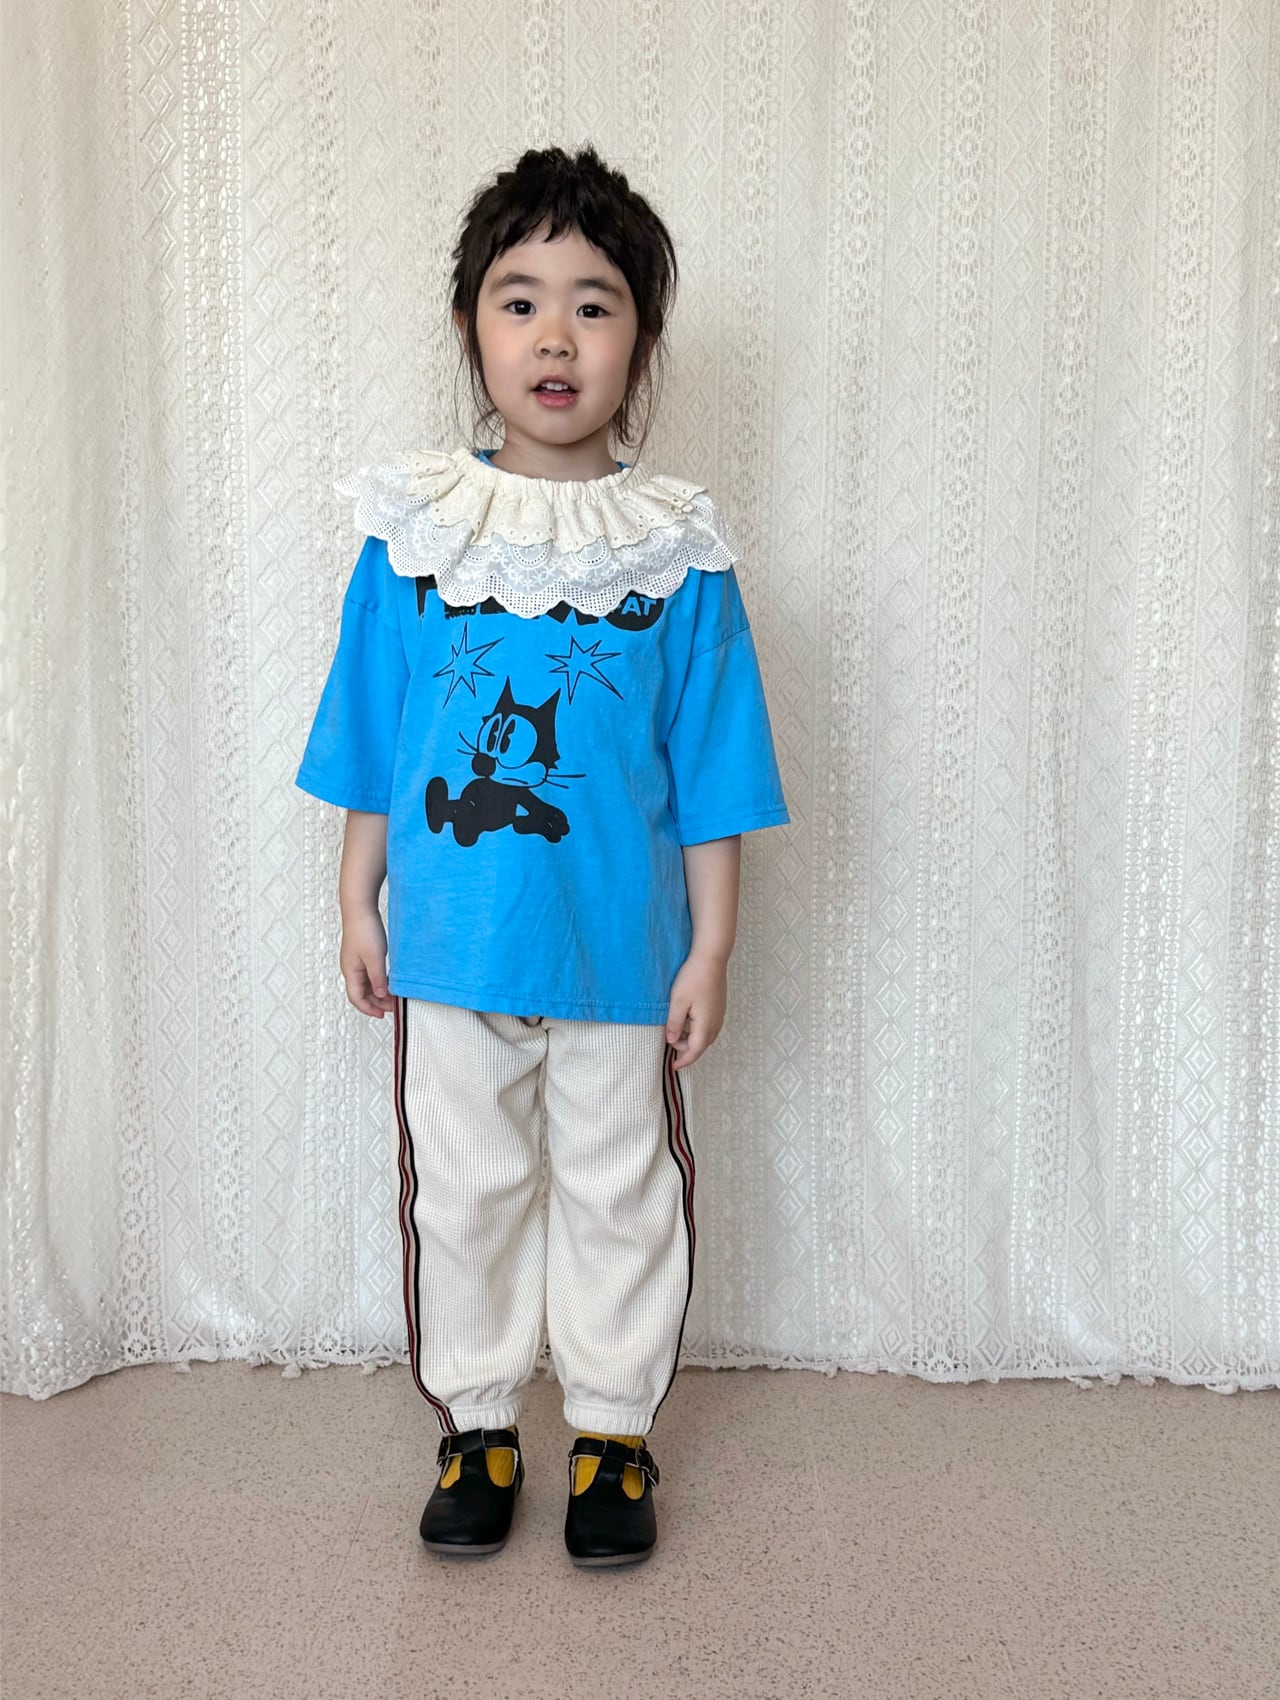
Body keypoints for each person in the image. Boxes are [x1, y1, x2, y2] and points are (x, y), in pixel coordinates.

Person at [295, 144, 789, 1568]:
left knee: (621, 1188)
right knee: (464, 1187)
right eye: (520, 302)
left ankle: (615, 1433)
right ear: (473, 329)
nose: (555, 336)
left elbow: (714, 774)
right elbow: (376, 736)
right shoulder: (413, 540)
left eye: (593, 303)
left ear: (641, 340)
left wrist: (710, 948)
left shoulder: (678, 556)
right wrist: (356, 896)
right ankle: (479, 1423)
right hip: (453, 948)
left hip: (620, 953)